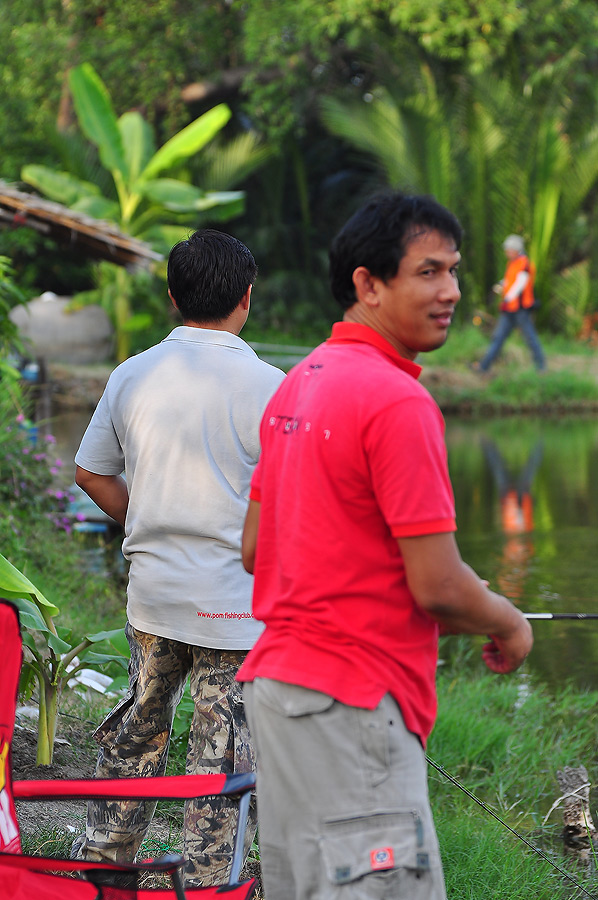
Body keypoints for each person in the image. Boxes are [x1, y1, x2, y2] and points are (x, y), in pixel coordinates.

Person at [237, 192, 533, 900]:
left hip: (279, 697)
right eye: (427, 272)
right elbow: (437, 585)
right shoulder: (398, 401)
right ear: (368, 284)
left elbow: (255, 549)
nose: (452, 291)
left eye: (455, 271)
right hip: (354, 706)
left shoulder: (299, 383)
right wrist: (506, 619)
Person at [70, 229, 285, 886]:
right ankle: (210, 887)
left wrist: (151, 520)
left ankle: (103, 872)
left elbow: (90, 474)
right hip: (235, 612)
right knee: (219, 762)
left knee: (136, 733)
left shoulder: (132, 374)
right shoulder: (273, 386)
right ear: (247, 299)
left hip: (154, 599)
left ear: (171, 297)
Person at [474, 234, 545, 372]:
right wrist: (501, 285)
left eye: (508, 249)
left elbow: (520, 284)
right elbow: (510, 280)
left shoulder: (524, 263)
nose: (506, 252)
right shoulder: (512, 263)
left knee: (530, 338)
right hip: (509, 309)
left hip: (520, 309)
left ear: (515, 249)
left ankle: (541, 367)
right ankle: (483, 367)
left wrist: (508, 297)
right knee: (498, 338)